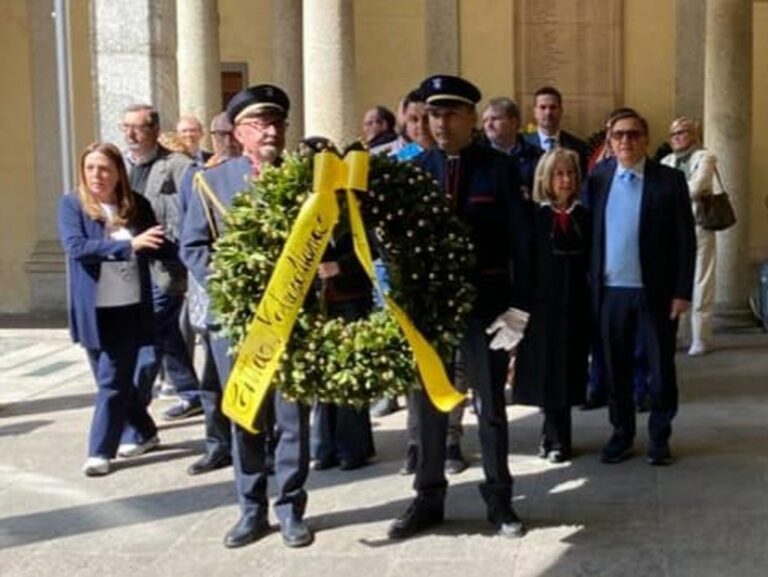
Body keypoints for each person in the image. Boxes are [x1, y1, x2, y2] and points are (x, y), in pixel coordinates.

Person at [388, 74, 533, 540]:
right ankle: (428, 497)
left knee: (490, 407)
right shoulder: (413, 171)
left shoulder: (500, 169)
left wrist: (519, 311)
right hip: (430, 312)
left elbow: (522, 244)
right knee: (428, 404)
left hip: (485, 307)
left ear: (473, 117)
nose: (442, 122)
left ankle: (500, 500)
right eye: (434, 113)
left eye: (451, 113)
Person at [181, 84, 313, 548]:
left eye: (277, 122)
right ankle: (251, 510)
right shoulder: (210, 182)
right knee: (247, 418)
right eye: (259, 123)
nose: (271, 131)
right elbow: (193, 246)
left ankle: (291, 509)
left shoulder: (306, 180)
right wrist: (230, 283)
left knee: (293, 420)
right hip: (236, 324)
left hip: (291, 323)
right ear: (238, 132)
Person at [583, 108, 696, 466]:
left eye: (633, 134)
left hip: (656, 292)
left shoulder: (669, 180)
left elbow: (685, 239)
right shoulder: (599, 178)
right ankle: (621, 434)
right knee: (616, 369)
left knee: (660, 368)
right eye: (618, 135)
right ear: (609, 141)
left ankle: (660, 437)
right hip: (610, 292)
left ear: (646, 139)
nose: (626, 141)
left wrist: (682, 291)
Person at [58, 142, 167, 476]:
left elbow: (159, 243)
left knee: (111, 381)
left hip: (128, 307)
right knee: (114, 381)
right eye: (90, 168)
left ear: (119, 172)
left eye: (104, 168)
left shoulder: (136, 205)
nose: (97, 175)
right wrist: (127, 245)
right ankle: (146, 431)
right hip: (93, 310)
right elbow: (77, 248)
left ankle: (99, 452)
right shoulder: (71, 205)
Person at [119, 103, 201, 445]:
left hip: (166, 267)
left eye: (137, 127)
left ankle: (134, 420)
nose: (130, 134)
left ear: (153, 130)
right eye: (125, 127)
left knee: (148, 337)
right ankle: (191, 391)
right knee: (165, 333)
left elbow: (196, 209)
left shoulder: (177, 166)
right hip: (132, 266)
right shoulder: (122, 167)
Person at [513, 148, 591, 464]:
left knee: (567, 370)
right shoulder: (534, 217)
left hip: (574, 305)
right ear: (546, 177)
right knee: (547, 372)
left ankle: (559, 437)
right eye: (559, 173)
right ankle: (553, 435)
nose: (566, 179)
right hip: (542, 306)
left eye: (571, 173)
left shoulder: (584, 217)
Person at [661, 117, 717, 356]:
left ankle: (700, 336)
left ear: (694, 135)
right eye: (673, 134)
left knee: (701, 281)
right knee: (674, 280)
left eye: (682, 133)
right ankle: (676, 333)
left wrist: (671, 192)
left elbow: (697, 187)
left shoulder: (705, 157)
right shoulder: (666, 160)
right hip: (670, 229)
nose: (676, 138)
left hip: (698, 226)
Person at [482, 96, 543, 198]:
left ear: (514, 122)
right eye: (485, 120)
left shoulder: (538, 157)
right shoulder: (477, 157)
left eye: (494, 119)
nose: (488, 125)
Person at [524, 86, 589, 177]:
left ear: (561, 110)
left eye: (553, 107)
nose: (548, 112)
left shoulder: (578, 147)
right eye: (543, 107)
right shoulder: (522, 145)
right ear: (535, 112)